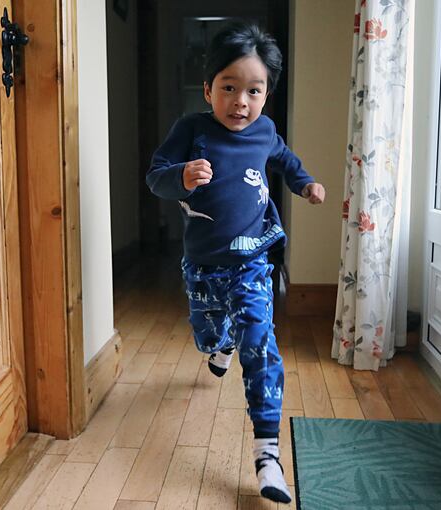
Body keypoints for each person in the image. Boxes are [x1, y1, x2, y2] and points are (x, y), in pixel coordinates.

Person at [146, 19, 325, 504]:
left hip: (252, 261)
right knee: (208, 334)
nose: (240, 102)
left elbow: (286, 161)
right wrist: (181, 175)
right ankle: (219, 345)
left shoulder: (265, 131)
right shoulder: (191, 129)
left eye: (253, 90)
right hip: (203, 266)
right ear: (208, 89)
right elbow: (155, 176)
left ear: (266, 95)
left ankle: (268, 454)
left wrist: (305, 183)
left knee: (260, 341)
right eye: (229, 88)